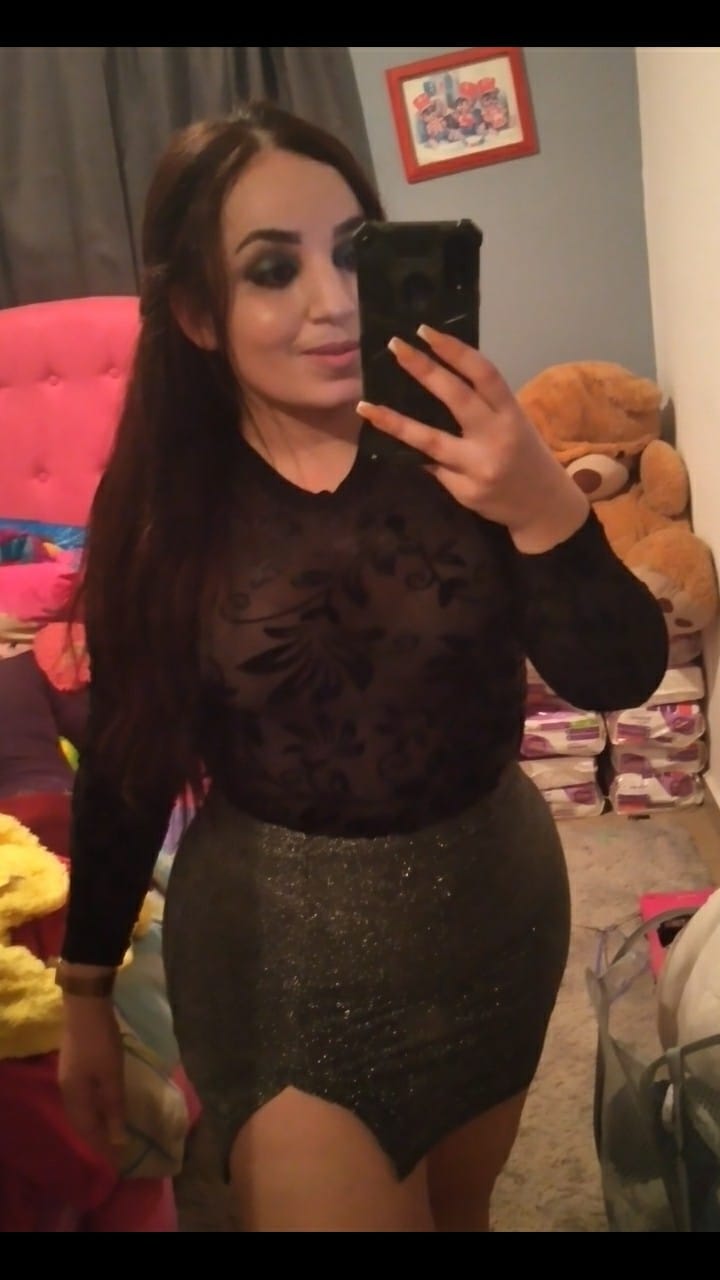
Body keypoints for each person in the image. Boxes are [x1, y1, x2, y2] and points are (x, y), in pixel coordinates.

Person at [55, 99, 669, 1233]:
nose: (332, 301)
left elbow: (620, 677)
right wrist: (86, 993)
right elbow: (129, 768)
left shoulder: (474, 450)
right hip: (283, 957)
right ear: (197, 312)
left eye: (352, 252)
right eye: (272, 270)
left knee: (462, 1212)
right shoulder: (166, 512)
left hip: (496, 913)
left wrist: (542, 501)